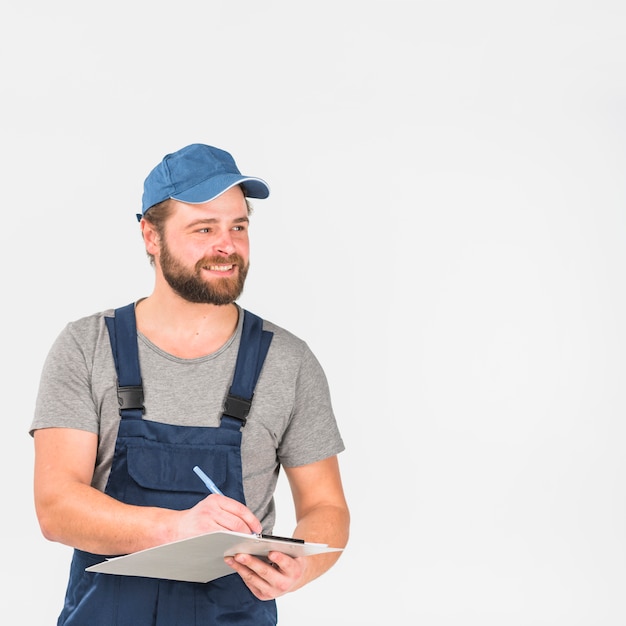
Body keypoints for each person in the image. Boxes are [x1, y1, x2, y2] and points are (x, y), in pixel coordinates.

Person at [30, 143, 350, 625]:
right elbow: (56, 507)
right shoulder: (86, 347)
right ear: (150, 236)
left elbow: (327, 507)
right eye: (204, 228)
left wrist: (301, 565)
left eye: (238, 227)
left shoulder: (288, 362)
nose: (227, 246)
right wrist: (177, 528)